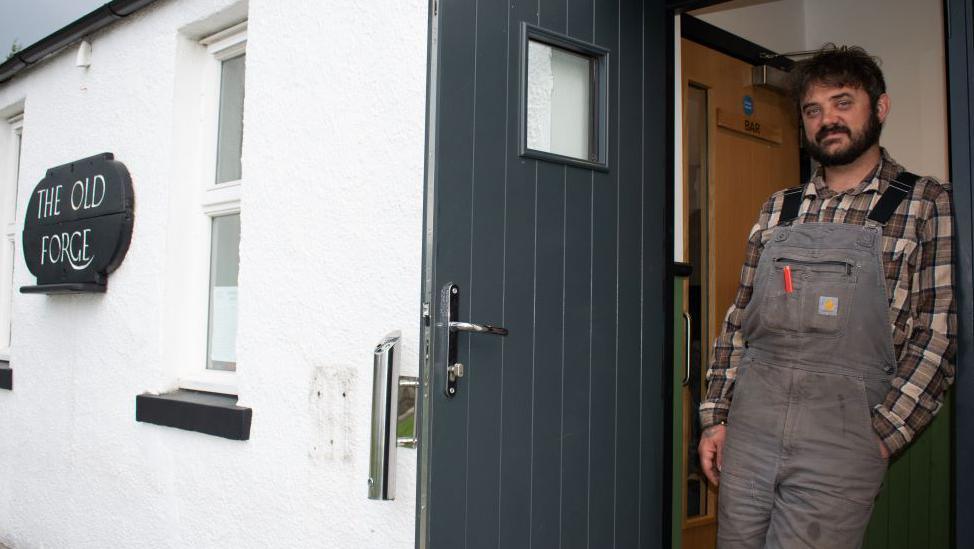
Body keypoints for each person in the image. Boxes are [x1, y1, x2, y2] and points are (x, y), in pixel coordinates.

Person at [697, 45, 956, 548]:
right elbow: (738, 322)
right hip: (750, 431)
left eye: (843, 103)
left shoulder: (927, 204)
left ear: (879, 108)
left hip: (843, 441)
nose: (827, 120)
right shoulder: (779, 209)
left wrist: (882, 434)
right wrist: (714, 418)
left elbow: (937, 334)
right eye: (813, 110)